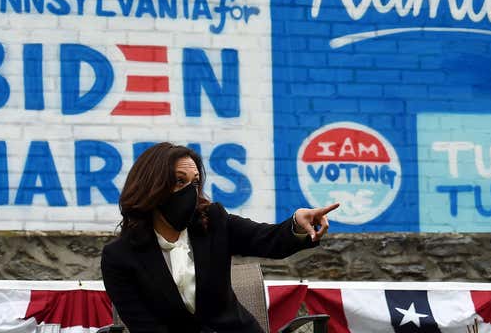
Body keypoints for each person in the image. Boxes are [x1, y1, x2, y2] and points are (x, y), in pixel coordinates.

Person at [101, 142, 339, 333]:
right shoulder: (119, 257)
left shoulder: (213, 221)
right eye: (179, 181)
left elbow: (267, 239)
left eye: (194, 183)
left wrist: (297, 224)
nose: (189, 192)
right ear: (151, 186)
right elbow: (146, 328)